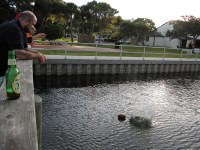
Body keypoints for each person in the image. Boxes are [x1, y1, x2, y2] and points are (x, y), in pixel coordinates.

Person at [0, 10, 46, 86]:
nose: (33, 27)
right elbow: (20, 54)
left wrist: (39, 54)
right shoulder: (13, 28)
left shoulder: (20, 29)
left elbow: (25, 49)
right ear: (26, 21)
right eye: (33, 24)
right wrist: (38, 56)